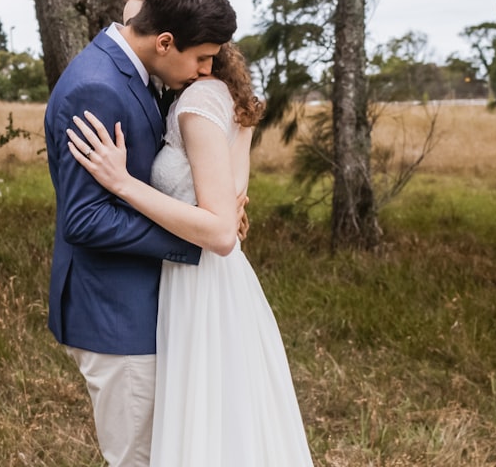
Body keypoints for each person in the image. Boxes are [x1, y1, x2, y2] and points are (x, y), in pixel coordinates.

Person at [67, 42, 314, 466]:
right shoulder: (234, 98)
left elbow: (218, 229)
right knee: (234, 415)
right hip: (227, 277)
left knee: (204, 415)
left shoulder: (197, 100)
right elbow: (232, 203)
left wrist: (123, 182)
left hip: (197, 278)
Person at [43, 0, 238, 467]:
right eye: (200, 58)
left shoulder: (130, 70)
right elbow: (85, 219)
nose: (203, 72)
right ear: (166, 42)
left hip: (145, 304)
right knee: (138, 458)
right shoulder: (97, 87)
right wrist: (196, 235)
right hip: (117, 311)